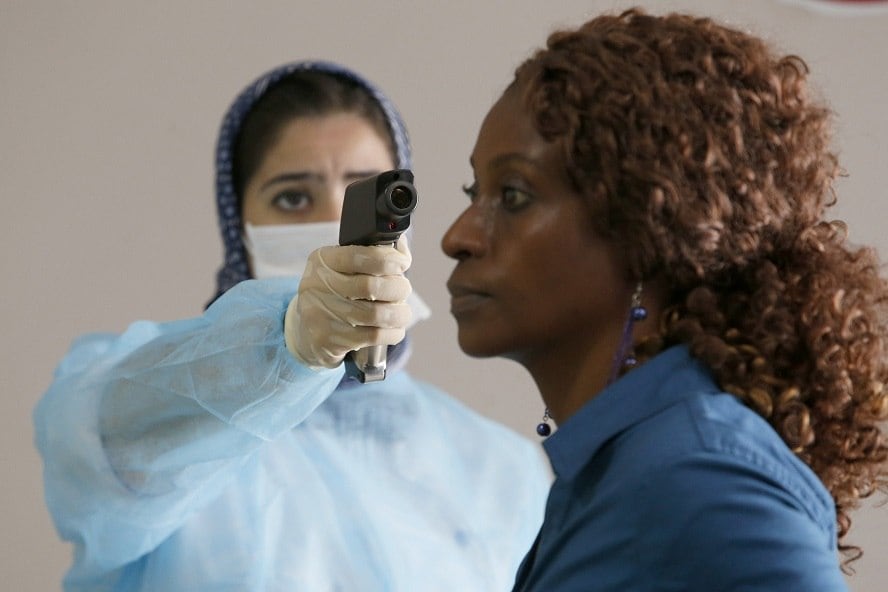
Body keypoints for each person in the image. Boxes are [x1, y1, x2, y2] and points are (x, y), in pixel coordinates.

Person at [34, 60, 550, 591]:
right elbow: (100, 443)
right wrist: (285, 346)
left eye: (365, 195)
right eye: (293, 198)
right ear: (239, 223)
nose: (333, 225)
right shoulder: (151, 406)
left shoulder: (499, 472)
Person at [442, 8, 887, 591]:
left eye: (515, 195)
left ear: (649, 227)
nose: (459, 236)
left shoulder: (697, 473)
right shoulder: (624, 468)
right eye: (476, 192)